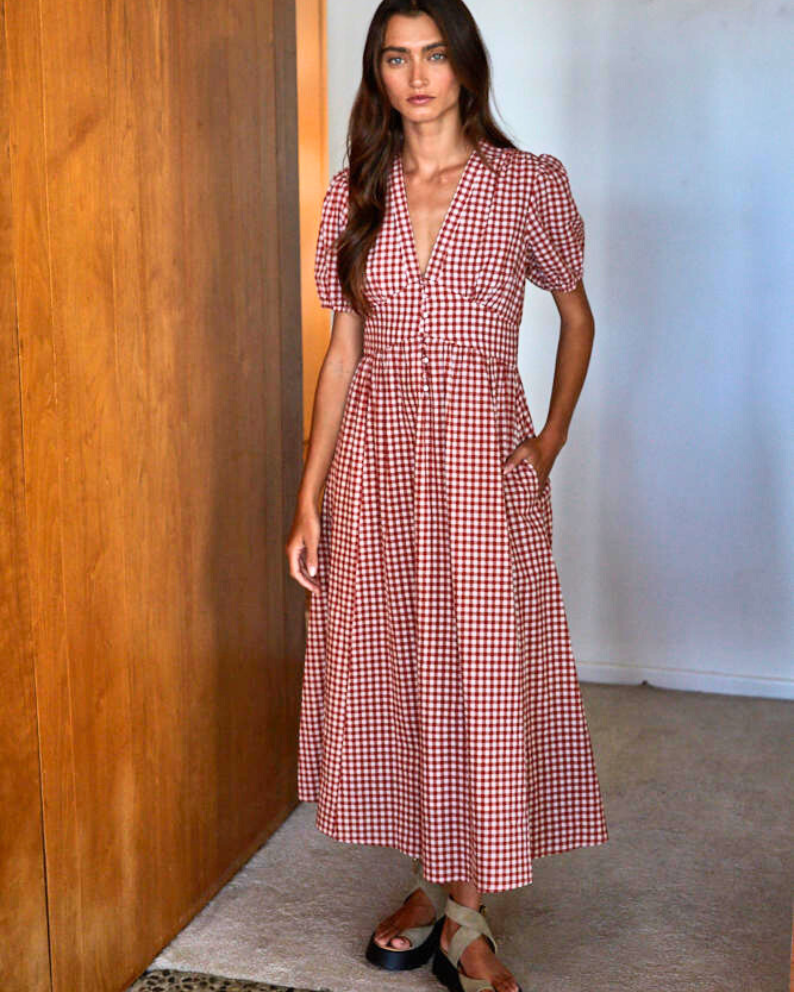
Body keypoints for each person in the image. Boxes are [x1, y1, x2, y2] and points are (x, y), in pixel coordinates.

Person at [286, 2, 609, 990]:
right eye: (396, 58)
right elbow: (343, 353)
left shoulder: (526, 183)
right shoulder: (355, 190)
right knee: (398, 667)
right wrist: (309, 496)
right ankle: (434, 884)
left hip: (479, 467)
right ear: (378, 74)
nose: (417, 76)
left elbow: (575, 315)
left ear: (464, 66)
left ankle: (465, 911)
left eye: (433, 55)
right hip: (376, 469)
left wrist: (549, 439)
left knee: (479, 671)